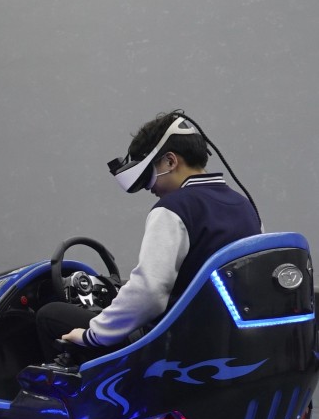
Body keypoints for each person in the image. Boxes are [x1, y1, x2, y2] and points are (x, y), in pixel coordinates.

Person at [36, 110, 262, 359]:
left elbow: (150, 292)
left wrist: (92, 334)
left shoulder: (175, 208)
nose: (150, 188)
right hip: (232, 345)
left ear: (170, 161)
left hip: (176, 349)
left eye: (149, 177)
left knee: (51, 314)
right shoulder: (245, 207)